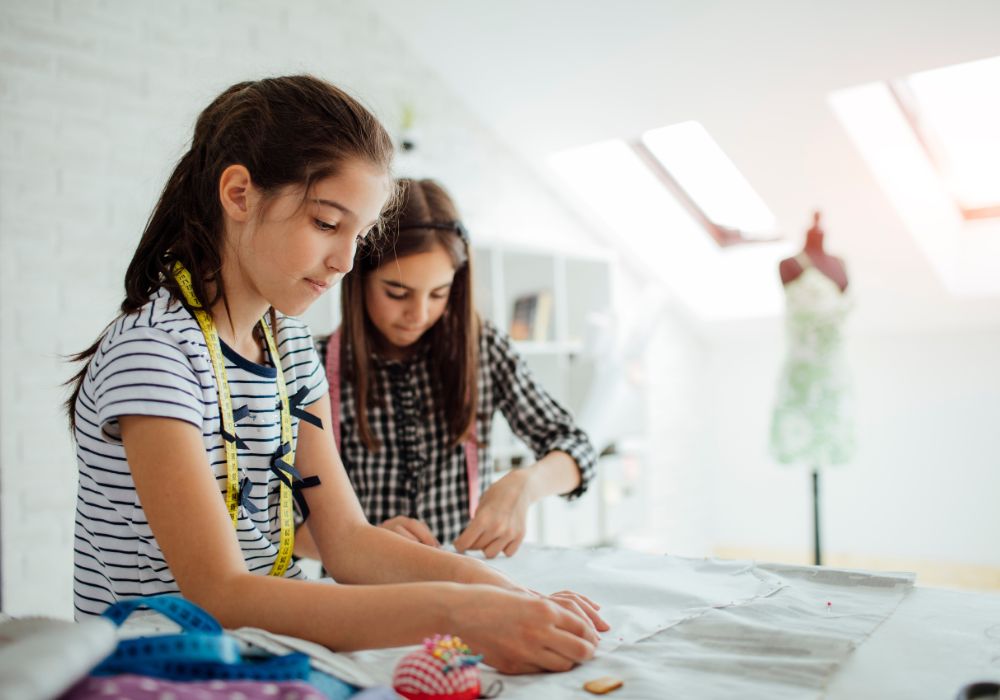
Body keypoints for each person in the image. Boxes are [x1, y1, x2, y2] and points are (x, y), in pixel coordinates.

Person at [66, 75, 607, 674]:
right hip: (156, 669)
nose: (347, 261)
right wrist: (460, 611)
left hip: (268, 656)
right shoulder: (154, 353)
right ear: (240, 194)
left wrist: (505, 595)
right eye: (327, 224)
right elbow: (216, 594)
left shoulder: (291, 348)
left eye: (360, 234)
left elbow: (347, 542)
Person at [302, 178, 597, 559]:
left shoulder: (482, 348)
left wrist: (525, 484)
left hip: (464, 584)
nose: (419, 314)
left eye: (439, 293)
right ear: (358, 278)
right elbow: (281, 529)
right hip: (363, 597)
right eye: (397, 292)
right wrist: (359, 539)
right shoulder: (313, 364)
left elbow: (578, 448)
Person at [770, 211, 854, 564]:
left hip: (833, 379)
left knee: (828, 451)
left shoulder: (841, 264)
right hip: (800, 378)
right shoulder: (788, 265)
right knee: (802, 450)